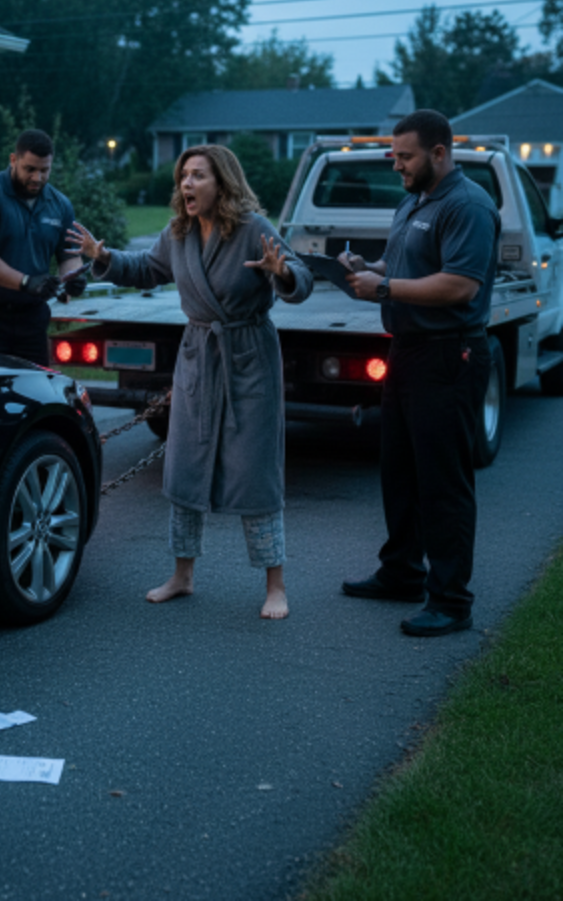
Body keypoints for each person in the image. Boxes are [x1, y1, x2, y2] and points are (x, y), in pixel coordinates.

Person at [66, 144, 313, 620]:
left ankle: (275, 585)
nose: (186, 184)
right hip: (199, 357)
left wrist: (282, 273)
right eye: (183, 176)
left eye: (197, 175)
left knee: (255, 469)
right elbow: (145, 270)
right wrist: (105, 256)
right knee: (185, 464)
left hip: (248, 358)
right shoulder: (177, 234)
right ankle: (182, 575)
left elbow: (299, 276)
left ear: (222, 181)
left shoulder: (252, 230)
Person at [340, 109, 499, 637]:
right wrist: (366, 271)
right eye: (394, 155)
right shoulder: (414, 201)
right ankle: (402, 573)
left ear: (439, 153)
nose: (396, 165)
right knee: (399, 471)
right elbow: (403, 265)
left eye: (405, 157)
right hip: (408, 351)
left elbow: (459, 285)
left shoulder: (468, 205)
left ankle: (452, 601)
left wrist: (384, 290)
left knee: (443, 483)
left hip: (449, 356)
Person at [0, 129, 88, 367]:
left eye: (44, 170)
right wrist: (26, 281)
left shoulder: (60, 205)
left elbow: (68, 253)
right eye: (30, 169)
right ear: (13, 160)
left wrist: (72, 277)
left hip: (30, 317)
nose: (37, 178)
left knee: (34, 393)